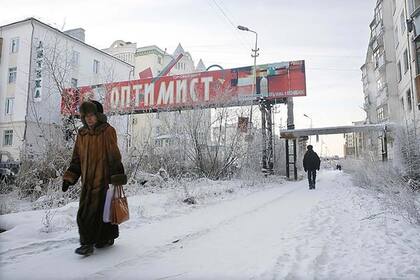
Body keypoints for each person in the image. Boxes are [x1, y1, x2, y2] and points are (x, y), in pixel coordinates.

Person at [62, 100, 127, 256]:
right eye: (86, 116)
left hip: (103, 182)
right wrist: (69, 178)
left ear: (98, 116)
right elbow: (76, 159)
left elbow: (114, 156)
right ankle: (106, 238)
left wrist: (116, 177)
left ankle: (87, 244)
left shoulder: (107, 131)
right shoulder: (82, 134)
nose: (89, 119)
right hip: (87, 184)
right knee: (94, 213)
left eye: (92, 115)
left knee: (92, 213)